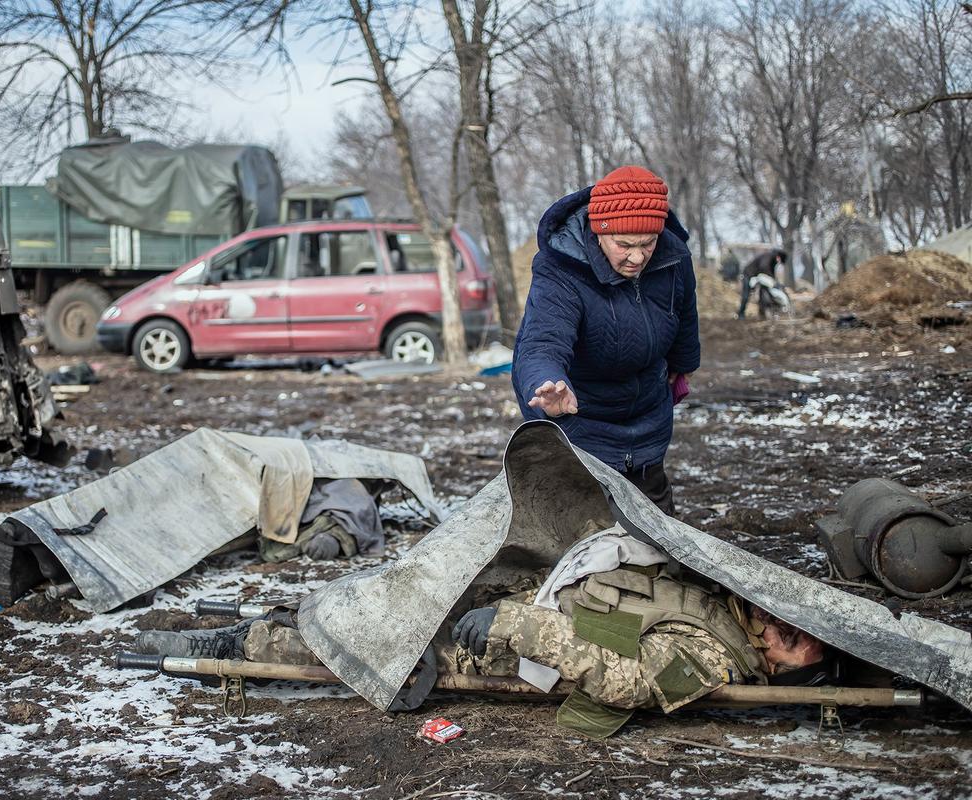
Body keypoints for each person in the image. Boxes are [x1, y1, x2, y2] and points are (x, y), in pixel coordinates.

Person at [136, 539, 827, 739]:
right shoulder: (729, 603)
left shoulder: (714, 658)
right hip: (529, 596)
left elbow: (629, 682)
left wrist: (517, 624)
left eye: (798, 646)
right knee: (382, 593)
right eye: (802, 628)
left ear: (779, 669)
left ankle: (227, 649)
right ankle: (273, 617)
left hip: (508, 644)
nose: (792, 630)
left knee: (368, 641)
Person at [512, 166, 699, 516]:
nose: (637, 257)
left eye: (648, 243)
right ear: (599, 232)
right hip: (581, 416)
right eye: (624, 245)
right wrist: (546, 383)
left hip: (646, 412)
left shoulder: (674, 257)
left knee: (657, 531)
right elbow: (540, 343)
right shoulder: (560, 269)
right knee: (584, 529)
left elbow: (684, 310)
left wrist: (685, 361)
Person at [737, 248, 788, 319]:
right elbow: (763, 267)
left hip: (759, 278)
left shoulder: (773, 261)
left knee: (763, 293)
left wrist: (774, 282)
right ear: (778, 257)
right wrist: (770, 279)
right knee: (746, 295)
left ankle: (762, 313)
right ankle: (741, 313)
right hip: (748, 275)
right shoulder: (768, 256)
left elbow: (772, 273)